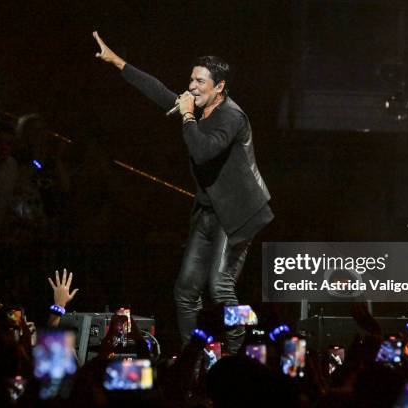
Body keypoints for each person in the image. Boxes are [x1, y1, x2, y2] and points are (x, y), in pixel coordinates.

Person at [93, 31, 273, 353]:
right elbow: (159, 91)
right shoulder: (197, 105)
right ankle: (196, 356)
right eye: (191, 80)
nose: (191, 87)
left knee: (220, 288)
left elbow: (204, 150)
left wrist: (188, 115)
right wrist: (117, 61)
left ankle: (238, 355)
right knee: (186, 290)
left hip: (238, 215)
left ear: (218, 87)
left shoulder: (231, 116)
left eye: (200, 82)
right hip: (208, 211)